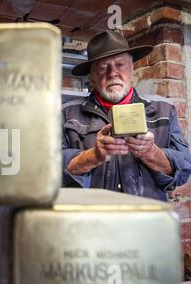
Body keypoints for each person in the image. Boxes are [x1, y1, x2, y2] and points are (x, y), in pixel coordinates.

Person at [63, 30, 191, 201]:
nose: (113, 73)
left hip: (146, 224)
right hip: (91, 223)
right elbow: (49, 170)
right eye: (103, 67)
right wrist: (94, 156)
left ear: (132, 68)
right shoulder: (67, 113)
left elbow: (185, 168)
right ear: (91, 75)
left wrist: (151, 152)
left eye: (120, 65)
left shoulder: (164, 111)